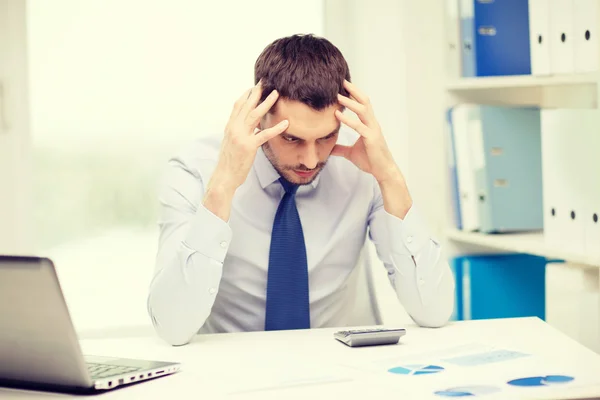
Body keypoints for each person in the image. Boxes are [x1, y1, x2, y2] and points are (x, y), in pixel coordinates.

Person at [147, 34, 455, 346]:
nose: (310, 160)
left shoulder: (362, 168)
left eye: (326, 137)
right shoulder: (194, 170)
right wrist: (223, 185)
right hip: (235, 374)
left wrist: (389, 175)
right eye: (292, 138)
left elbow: (435, 312)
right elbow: (172, 326)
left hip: (345, 371)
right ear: (258, 115)